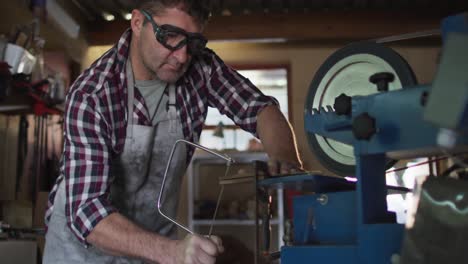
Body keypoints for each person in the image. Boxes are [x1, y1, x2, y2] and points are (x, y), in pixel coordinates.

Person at [43, 0, 303, 263]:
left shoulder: (200, 67)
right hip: (81, 252)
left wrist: (285, 163)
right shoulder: (93, 95)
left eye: (192, 42)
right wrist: (174, 252)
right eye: (169, 36)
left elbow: (262, 110)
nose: (182, 57)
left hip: (154, 247)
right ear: (137, 23)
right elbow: (86, 211)